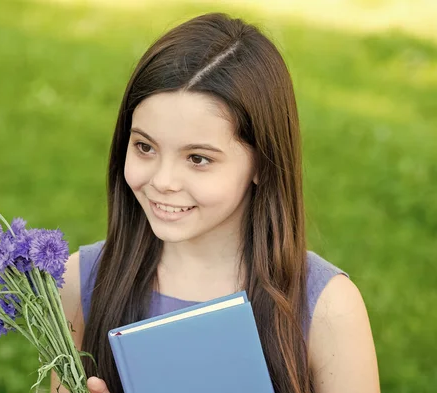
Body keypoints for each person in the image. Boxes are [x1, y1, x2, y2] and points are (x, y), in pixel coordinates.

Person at [51, 12, 380, 393]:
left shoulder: (327, 309)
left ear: (261, 161)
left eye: (198, 158)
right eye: (144, 147)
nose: (163, 181)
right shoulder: (79, 282)